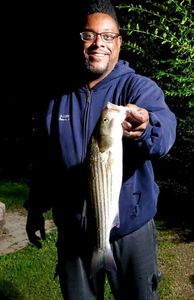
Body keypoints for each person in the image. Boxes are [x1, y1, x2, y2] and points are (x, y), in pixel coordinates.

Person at [24, 0, 177, 299]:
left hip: (131, 231)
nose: (98, 44)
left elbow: (166, 131)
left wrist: (148, 127)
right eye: (89, 35)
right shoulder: (57, 100)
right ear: (80, 41)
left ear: (119, 43)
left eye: (108, 36)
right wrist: (35, 209)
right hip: (74, 235)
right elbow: (44, 163)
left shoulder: (138, 87)